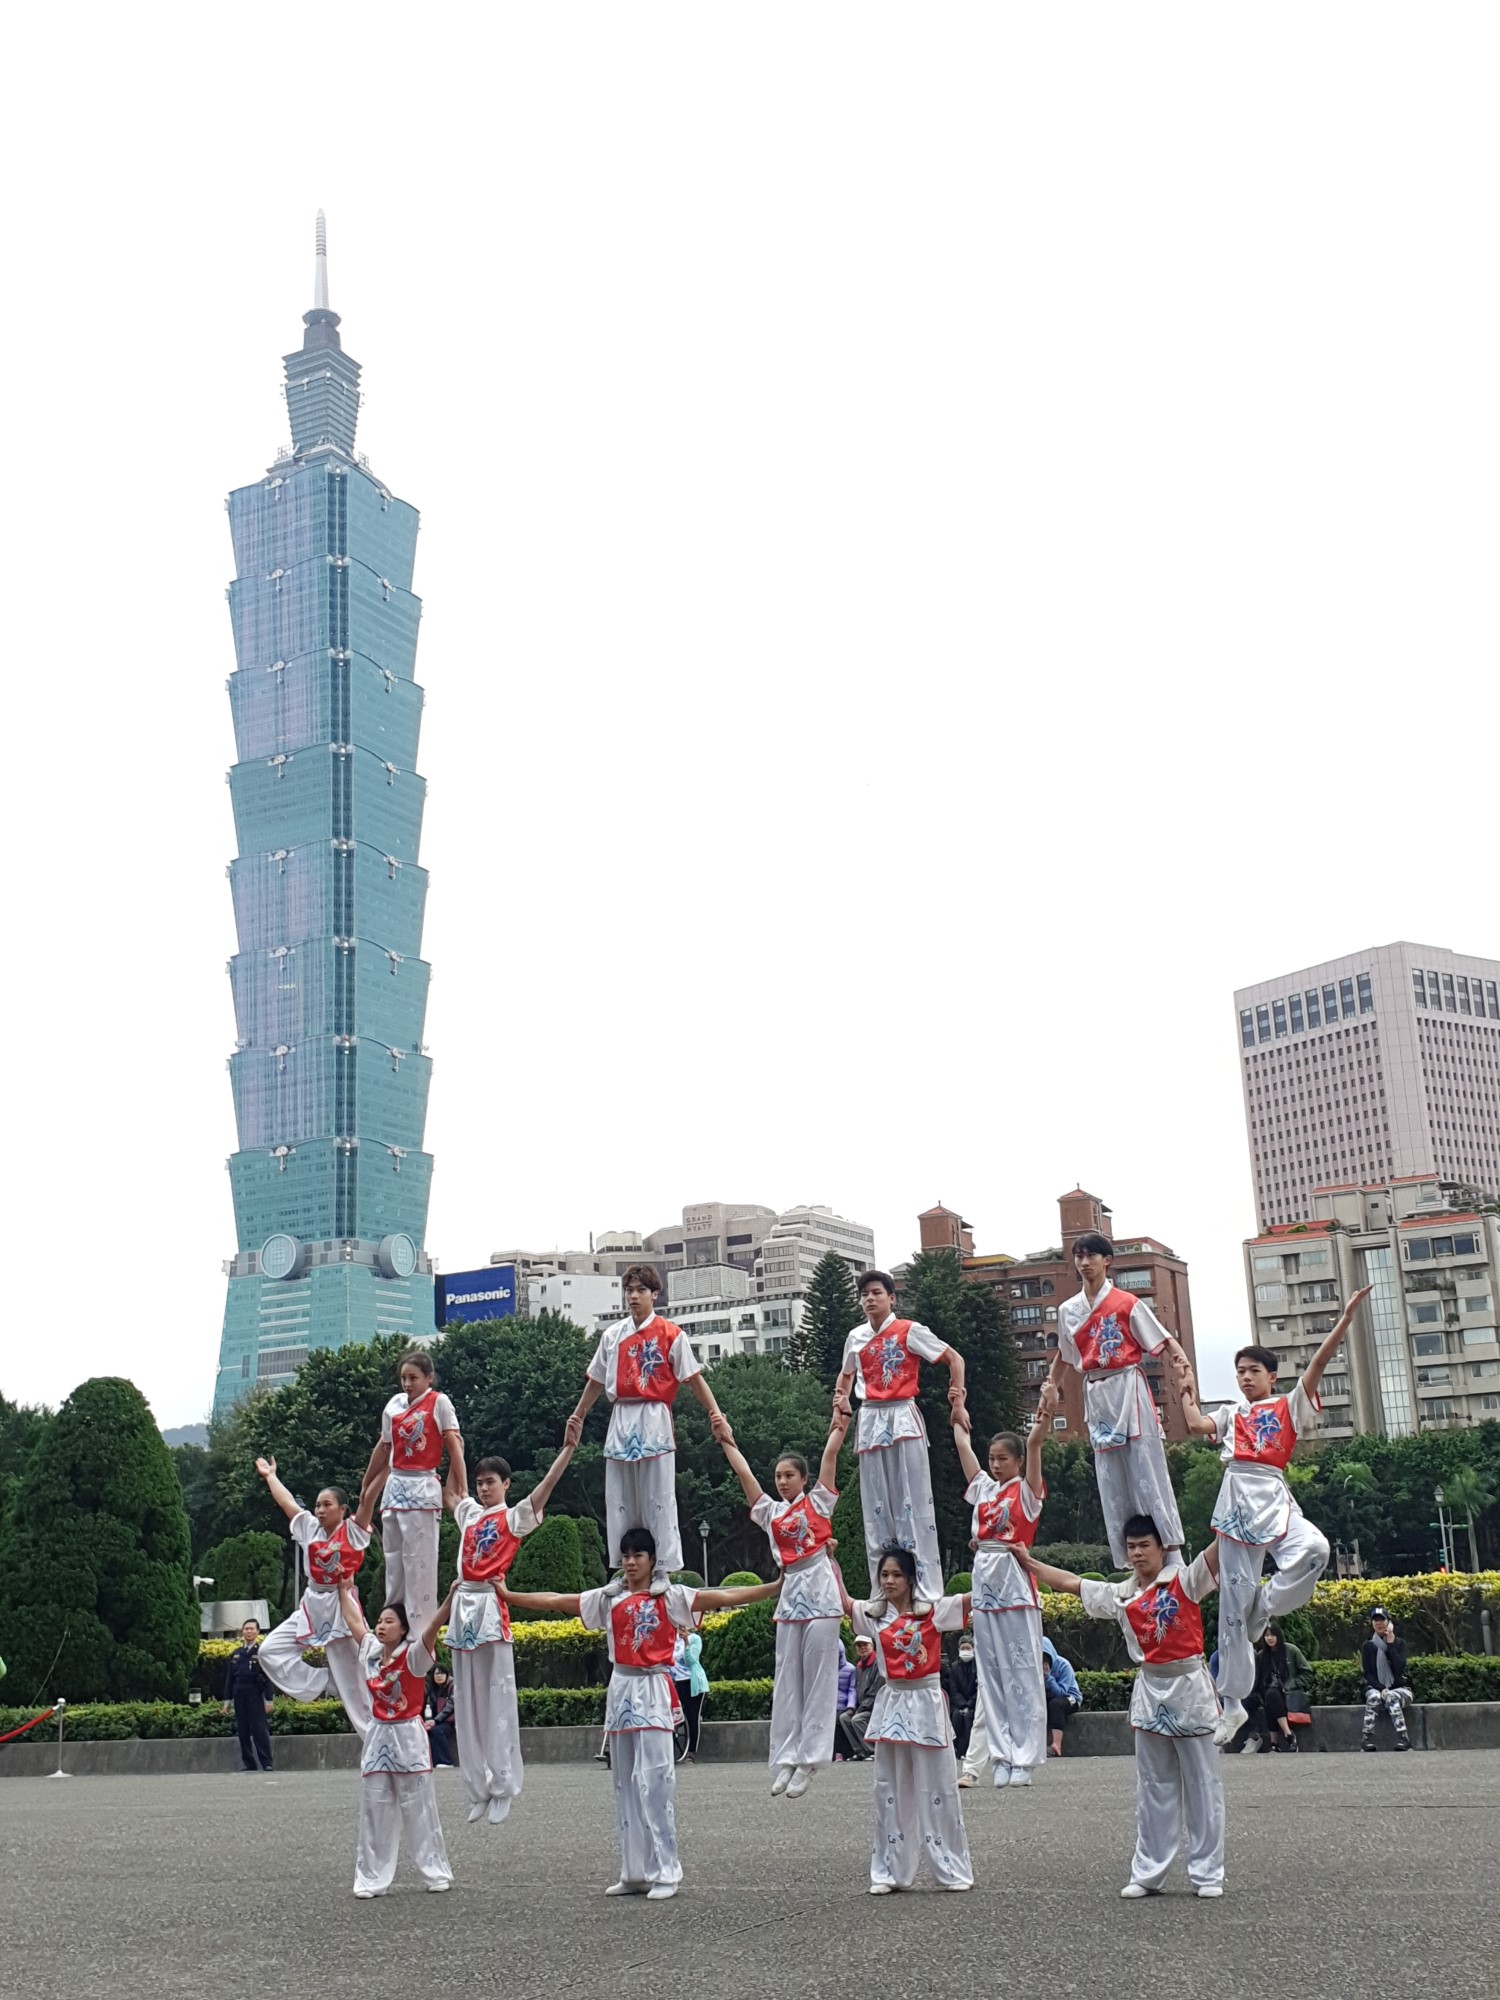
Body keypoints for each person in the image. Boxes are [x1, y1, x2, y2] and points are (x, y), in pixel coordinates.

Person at [500, 1527, 782, 1899]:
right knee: (625, 1785)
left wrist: (773, 1586)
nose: (630, 1563)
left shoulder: (671, 1596)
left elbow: (722, 1595)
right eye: (626, 1556)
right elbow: (558, 1601)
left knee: (656, 1781)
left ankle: (667, 1870)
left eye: (638, 1556)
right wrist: (507, 1594)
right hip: (621, 1689)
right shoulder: (609, 1598)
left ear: (652, 1559)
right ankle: (634, 1870)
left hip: (652, 1687)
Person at [1175, 1284, 1368, 1746]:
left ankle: (1267, 1604)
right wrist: (1186, 1393)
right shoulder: (1230, 1412)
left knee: (1315, 1549)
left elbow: (1319, 1366)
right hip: (1236, 1500)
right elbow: (1197, 1425)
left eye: (1252, 1371)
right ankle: (1234, 1705)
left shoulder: (1288, 1405)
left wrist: (1343, 1321)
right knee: (1231, 1616)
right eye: (1239, 1371)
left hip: (1275, 1494)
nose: (1244, 1377)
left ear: (1271, 1376)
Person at [1018, 1518, 1225, 1898]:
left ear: (1163, 1547)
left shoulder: (1186, 1580)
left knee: (1202, 1784)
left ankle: (1207, 1873)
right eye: (1131, 1547)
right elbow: (1070, 1582)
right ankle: (1148, 1872)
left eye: (1144, 1545)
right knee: (1153, 1786)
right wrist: (1026, 1560)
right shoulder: (1122, 1594)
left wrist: (1238, 1503)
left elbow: (1219, 1552)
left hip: (1190, 1687)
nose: (1137, 1553)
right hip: (1150, 1688)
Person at [565, 1265, 733, 1578]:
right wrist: (578, 1415)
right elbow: (596, 1380)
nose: (633, 1296)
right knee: (620, 1496)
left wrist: (716, 1414)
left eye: (640, 1290)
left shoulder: (671, 1334)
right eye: (629, 1290)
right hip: (621, 1417)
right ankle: (622, 1570)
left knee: (658, 1496)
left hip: (655, 1416)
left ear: (654, 1294)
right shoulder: (612, 1336)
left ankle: (662, 1571)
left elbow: (694, 1379)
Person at [718, 1409, 849, 1797]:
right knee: (788, 1679)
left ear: (804, 1479)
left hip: (822, 1593)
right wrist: (727, 1440)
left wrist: (838, 1428)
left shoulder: (820, 1502)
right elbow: (744, 1477)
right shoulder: (771, 1512)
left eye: (789, 1475)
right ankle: (786, 1757)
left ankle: (811, 1759)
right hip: (791, 1592)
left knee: (819, 1680)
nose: (782, 1481)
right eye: (778, 1476)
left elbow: (830, 1458)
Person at [446, 1439, 575, 1826]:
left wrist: (566, 1449)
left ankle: (503, 1784)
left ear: (506, 1484)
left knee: (497, 1699)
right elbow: (450, 1492)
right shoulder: (469, 1514)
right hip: (461, 1608)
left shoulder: (512, 1517)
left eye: (490, 1482)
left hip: (489, 1603)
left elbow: (545, 1490)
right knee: (466, 1701)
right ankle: (477, 1787)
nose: (483, 1488)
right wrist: (454, 1445)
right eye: (480, 1482)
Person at [1047, 1233, 1190, 1566]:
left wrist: (1185, 1370)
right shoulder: (1068, 1310)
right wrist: (1051, 1387)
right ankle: (1131, 1561)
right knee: (1111, 1480)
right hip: (1096, 1393)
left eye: (1090, 1256)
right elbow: (1065, 1356)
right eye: (1079, 1256)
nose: (1084, 1263)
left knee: (1147, 1469)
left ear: (1106, 1261)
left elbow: (1164, 1340)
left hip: (1128, 1386)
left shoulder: (1126, 1303)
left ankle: (1171, 1555)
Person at [841, 1546, 974, 1894]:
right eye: (884, 1575)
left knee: (939, 1789)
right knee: (889, 1788)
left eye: (896, 1574)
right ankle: (889, 1871)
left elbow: (974, 1600)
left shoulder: (932, 1611)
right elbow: (843, 1601)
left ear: (911, 1578)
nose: (889, 1581)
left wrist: (996, 1557)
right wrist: (827, 1559)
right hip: (893, 1700)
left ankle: (952, 1868)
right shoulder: (873, 1614)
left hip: (926, 1700)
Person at [831, 1269, 969, 1600]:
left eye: (876, 1293)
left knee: (913, 1502)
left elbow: (954, 1358)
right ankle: (882, 1592)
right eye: (864, 1295)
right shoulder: (856, 1337)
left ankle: (925, 1591)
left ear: (892, 1298)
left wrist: (958, 1399)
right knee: (876, 1507)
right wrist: (841, 1402)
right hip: (871, 1418)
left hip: (903, 1414)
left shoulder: (909, 1331)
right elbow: (845, 1375)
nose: (869, 1299)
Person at [950, 1386, 1054, 1787]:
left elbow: (1036, 1444)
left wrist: (1042, 1419)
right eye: (992, 1459)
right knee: (989, 1674)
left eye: (1003, 1459)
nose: (995, 1465)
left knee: (1023, 1670)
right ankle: (1001, 1754)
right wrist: (958, 1405)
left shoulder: (1027, 1493)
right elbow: (962, 1445)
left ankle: (1025, 1758)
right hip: (985, 1584)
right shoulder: (982, 1489)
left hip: (1015, 1582)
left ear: (1018, 1461)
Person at [336, 1582, 454, 1898]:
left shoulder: (414, 1656)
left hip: (408, 1734)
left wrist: (450, 1599)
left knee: (420, 1807)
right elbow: (354, 1622)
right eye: (381, 1620)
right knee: (375, 1807)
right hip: (378, 1735)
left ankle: (435, 1872)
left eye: (390, 1621)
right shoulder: (372, 1653)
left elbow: (431, 1629)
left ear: (403, 1629)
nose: (382, 1625)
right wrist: (340, 1588)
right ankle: (371, 1878)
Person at [253, 1455, 377, 1737]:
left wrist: (386, 1466)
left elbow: (368, 1498)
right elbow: (287, 1504)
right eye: (318, 1505)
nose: (320, 1510)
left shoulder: (353, 1532)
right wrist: (271, 1476)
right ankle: (324, 1681)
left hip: (341, 1606)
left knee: (358, 1685)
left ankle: (376, 1739)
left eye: (327, 1505)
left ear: (342, 1509)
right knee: (269, 1651)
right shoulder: (309, 1527)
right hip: (312, 1605)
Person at [361, 1350, 466, 1633]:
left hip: (422, 1485)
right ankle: (393, 1623)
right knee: (393, 1559)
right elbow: (384, 1446)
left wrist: (460, 1487)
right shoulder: (393, 1405)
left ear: (429, 1377)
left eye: (414, 1378)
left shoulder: (438, 1402)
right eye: (404, 1378)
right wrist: (367, 1482)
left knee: (419, 1561)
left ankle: (420, 1630)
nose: (407, 1384)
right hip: (395, 1486)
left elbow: (455, 1443)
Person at [1245, 1624, 1313, 1753]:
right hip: (1269, 1692)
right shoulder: (1261, 1655)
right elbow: (1258, 1679)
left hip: (1288, 1691)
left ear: (1279, 1635)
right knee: (1269, 1696)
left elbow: (1307, 1673)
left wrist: (1290, 1685)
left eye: (1272, 1635)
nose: (1270, 1638)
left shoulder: (1291, 1650)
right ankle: (1286, 1737)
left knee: (1271, 1696)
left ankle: (1277, 1741)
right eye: (1266, 1635)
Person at [222, 1618, 274, 1774]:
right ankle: (249, 1762)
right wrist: (226, 1701)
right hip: (239, 1691)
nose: (249, 1632)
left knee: (259, 1729)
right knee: (242, 1729)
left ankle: (266, 1762)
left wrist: (269, 1699)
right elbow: (229, 1679)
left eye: (252, 1629)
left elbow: (268, 1677)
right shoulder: (236, 1654)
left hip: (255, 1692)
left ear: (258, 1632)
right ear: (242, 1631)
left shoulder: (262, 1653)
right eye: (246, 1629)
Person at [1361, 1609, 1412, 1751]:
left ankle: (1403, 1737)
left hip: (1400, 1689)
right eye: (1375, 1620)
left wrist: (1390, 1644)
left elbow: (1399, 1668)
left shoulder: (1399, 1643)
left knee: (1391, 1697)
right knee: (1373, 1697)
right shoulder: (1368, 1646)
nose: (1379, 1623)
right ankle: (1367, 1739)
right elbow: (1368, 1674)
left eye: (1382, 1620)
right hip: (1377, 1688)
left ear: (1389, 1622)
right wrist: (1381, 1688)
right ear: (1372, 1624)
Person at [838, 1634, 879, 1761]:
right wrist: (852, 1707)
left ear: (872, 1646)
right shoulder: (859, 1667)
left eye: (865, 1645)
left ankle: (873, 1750)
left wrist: (861, 1708)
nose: (862, 1648)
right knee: (844, 1717)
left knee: (857, 1719)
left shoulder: (878, 1664)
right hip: (862, 1706)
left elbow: (875, 1692)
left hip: (875, 1706)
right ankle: (860, 1750)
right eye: (859, 1646)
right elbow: (855, 1690)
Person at [671, 1626, 708, 1762]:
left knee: (693, 1716)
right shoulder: (671, 1640)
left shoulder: (695, 1639)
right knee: (676, 1714)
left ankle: (691, 1752)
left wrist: (686, 1641)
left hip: (693, 1683)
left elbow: (691, 1661)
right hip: (677, 1683)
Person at [1043, 1636, 1082, 1757]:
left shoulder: (1063, 1665)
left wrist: (1048, 1677)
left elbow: (1060, 1693)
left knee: (1056, 1704)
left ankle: (1056, 1745)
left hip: (1070, 1697)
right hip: (1049, 1697)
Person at [942, 1634, 978, 1763]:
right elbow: (954, 1689)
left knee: (970, 1717)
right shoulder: (954, 1667)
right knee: (957, 1716)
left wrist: (969, 1704)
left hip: (974, 1703)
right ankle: (958, 1749)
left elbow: (978, 1688)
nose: (966, 1651)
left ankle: (970, 1750)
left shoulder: (978, 1667)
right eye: (963, 1648)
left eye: (968, 1648)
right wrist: (962, 1705)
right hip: (958, 1704)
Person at [425, 1664, 457, 1767]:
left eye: (442, 1673)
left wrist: (435, 1721)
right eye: (437, 1673)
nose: (439, 1676)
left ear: (447, 1675)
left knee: (438, 1731)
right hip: (437, 1720)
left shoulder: (452, 1686)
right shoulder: (433, 1688)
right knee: (427, 1731)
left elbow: (451, 1706)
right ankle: (434, 1762)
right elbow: (429, 1705)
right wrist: (428, 1720)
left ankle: (446, 1761)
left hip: (451, 1721)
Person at [834, 1641, 858, 1759]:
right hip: (828, 1705)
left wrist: (850, 1706)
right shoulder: (826, 1669)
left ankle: (839, 1753)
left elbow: (852, 1689)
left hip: (842, 1705)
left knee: (838, 1720)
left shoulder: (850, 1669)